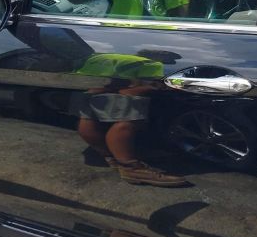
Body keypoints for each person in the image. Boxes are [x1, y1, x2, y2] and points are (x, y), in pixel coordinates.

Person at [75, 49, 188, 187]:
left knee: (90, 117)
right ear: (161, 57)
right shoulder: (150, 65)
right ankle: (131, 167)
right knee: (129, 120)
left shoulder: (112, 57)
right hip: (119, 89)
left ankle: (110, 156)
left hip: (87, 83)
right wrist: (160, 87)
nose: (171, 63)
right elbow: (131, 90)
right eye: (170, 61)